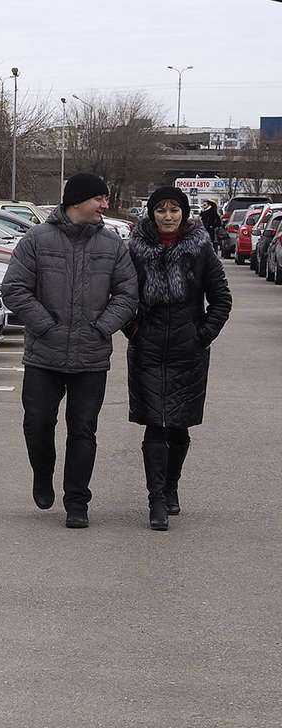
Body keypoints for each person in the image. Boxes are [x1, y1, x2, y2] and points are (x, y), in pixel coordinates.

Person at [1, 173, 139, 529]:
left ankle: (77, 501)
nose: (105, 205)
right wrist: (45, 325)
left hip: (91, 357)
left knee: (83, 430)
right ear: (78, 201)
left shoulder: (111, 245)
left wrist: (102, 327)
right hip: (44, 356)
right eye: (100, 199)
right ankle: (42, 473)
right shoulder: (36, 239)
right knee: (38, 424)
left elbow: (127, 294)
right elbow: (15, 288)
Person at [125, 187, 232, 531]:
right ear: (151, 213)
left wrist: (202, 334)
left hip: (189, 351)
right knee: (156, 425)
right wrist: (134, 330)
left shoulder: (200, 248)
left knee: (179, 426)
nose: (168, 216)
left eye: (174, 210)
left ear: (184, 214)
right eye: (161, 210)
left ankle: (171, 487)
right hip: (148, 349)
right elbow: (122, 295)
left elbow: (221, 299)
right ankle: (155, 500)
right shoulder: (135, 249)